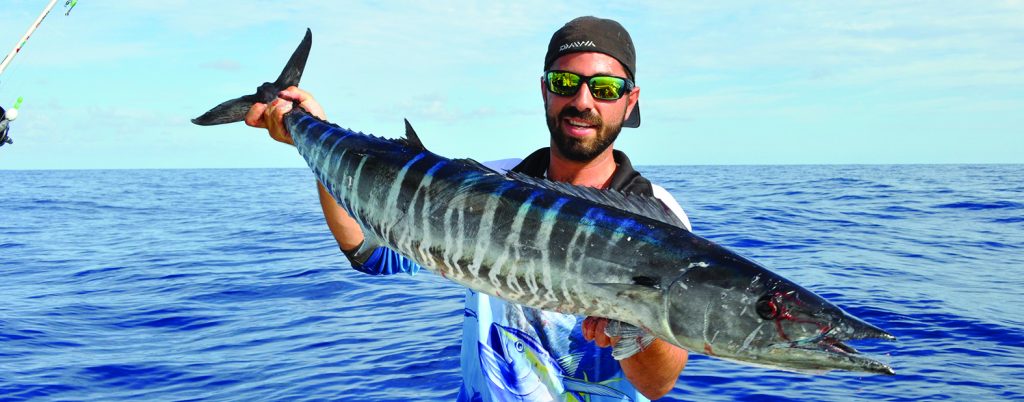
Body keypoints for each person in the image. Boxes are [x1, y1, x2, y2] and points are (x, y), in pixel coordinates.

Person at [247, 16, 689, 401]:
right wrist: (310, 134)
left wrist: (636, 330)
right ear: (544, 91)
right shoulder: (482, 189)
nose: (582, 101)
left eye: (606, 88)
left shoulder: (658, 218)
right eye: (564, 82)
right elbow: (371, 252)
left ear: (630, 101)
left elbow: (658, 385)